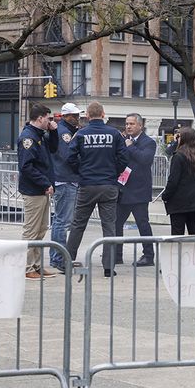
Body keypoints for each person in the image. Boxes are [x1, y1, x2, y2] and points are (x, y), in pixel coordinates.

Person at [66, 101, 128, 278]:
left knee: (78, 224)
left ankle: (68, 261)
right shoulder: (114, 134)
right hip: (108, 185)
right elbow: (124, 158)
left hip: (87, 185)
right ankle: (108, 267)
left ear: (87, 116)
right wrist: (113, 172)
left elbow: (70, 158)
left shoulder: (81, 134)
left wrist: (81, 171)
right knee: (109, 226)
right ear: (103, 114)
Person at [17, 103, 58, 280]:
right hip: (34, 190)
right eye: (48, 119)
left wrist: (54, 131)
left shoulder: (40, 135)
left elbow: (54, 149)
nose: (50, 122)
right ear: (40, 118)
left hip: (41, 189)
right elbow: (26, 167)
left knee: (41, 229)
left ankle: (37, 265)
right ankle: (27, 268)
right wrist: (44, 183)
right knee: (32, 231)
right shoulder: (29, 138)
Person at [115, 113, 157, 267]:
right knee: (116, 223)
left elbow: (145, 159)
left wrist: (130, 146)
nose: (128, 127)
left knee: (142, 224)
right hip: (123, 189)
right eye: (126, 124)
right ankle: (117, 255)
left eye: (132, 124)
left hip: (139, 191)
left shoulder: (148, 142)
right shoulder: (123, 141)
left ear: (140, 125)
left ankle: (148, 255)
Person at [49, 103, 83, 272]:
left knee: (60, 221)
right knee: (62, 222)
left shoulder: (66, 130)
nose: (77, 118)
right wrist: (81, 169)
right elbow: (67, 156)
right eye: (74, 115)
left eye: (77, 115)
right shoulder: (64, 133)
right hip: (66, 179)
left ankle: (57, 257)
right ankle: (58, 258)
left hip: (65, 179)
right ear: (65, 116)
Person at [161, 127, 195, 235]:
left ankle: (179, 253)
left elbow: (173, 180)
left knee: (177, 233)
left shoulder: (178, 157)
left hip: (179, 202)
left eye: (178, 137)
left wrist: (166, 196)